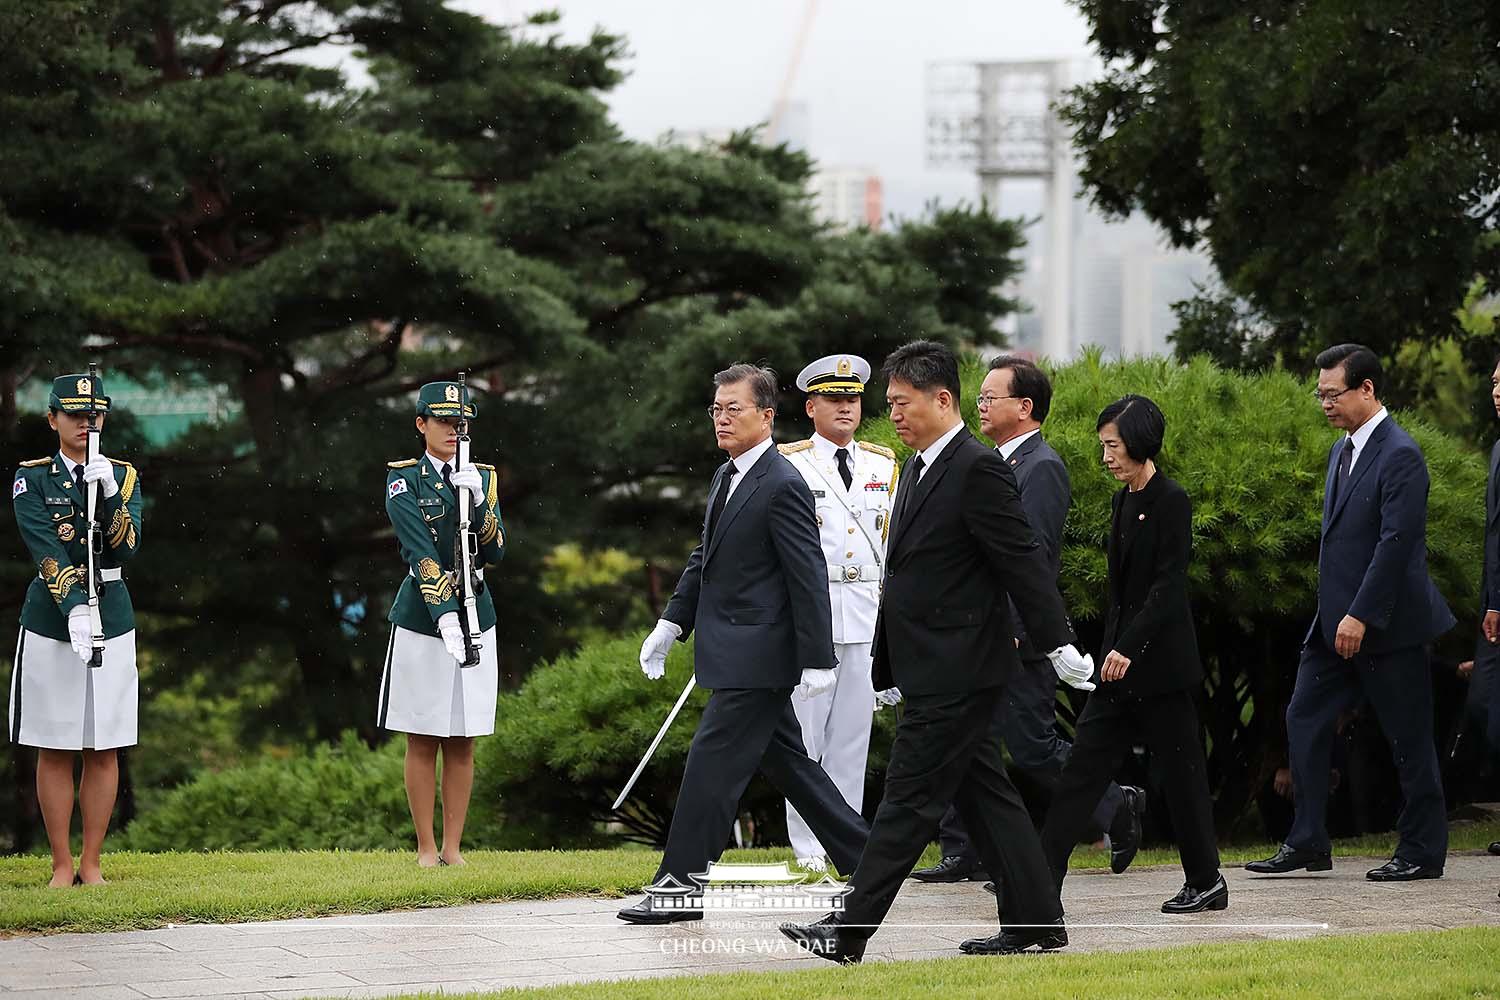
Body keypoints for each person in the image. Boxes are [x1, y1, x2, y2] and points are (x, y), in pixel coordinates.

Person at [781, 341, 1095, 963]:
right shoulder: (920, 464)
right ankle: (1037, 924)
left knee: (906, 800)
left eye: (901, 402)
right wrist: (890, 663)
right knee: (986, 798)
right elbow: (907, 572)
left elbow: (1022, 561)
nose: (890, 413)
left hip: (960, 668)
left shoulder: (975, 467)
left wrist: (1057, 642)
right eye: (889, 403)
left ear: (942, 398)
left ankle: (849, 931)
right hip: (933, 664)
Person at [617, 363, 870, 924]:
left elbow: (807, 573)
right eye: (716, 409)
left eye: (734, 409)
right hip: (733, 652)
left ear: (766, 416)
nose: (722, 419)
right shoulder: (727, 475)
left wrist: (817, 658)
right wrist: (671, 624)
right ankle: (870, 860)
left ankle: (677, 888)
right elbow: (704, 559)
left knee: (710, 767)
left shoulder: (782, 483)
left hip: (759, 658)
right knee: (791, 767)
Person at [913, 356, 1142, 889]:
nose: (981, 404)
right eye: (982, 396)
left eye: (993, 397)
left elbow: (1030, 558)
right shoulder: (992, 462)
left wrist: (1019, 626)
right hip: (981, 632)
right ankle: (964, 849)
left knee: (1033, 744)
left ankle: (1116, 804)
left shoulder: (1041, 467)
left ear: (1026, 407)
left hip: (1019, 633)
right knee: (971, 742)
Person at [1247, 344, 1454, 881]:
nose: (1324, 403)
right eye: (1319, 394)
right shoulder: (1342, 450)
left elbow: (1396, 543)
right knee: (1303, 716)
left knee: (1408, 736)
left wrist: (1362, 614)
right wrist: (1337, 614)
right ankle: (1309, 839)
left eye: (1332, 393)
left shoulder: (1401, 453)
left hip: (1387, 624)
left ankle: (1422, 850)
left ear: (1367, 389)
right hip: (1333, 624)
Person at [1039, 395, 1226, 914]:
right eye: (1103, 446)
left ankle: (1206, 880)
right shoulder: (1123, 500)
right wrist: (1107, 653)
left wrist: (1128, 647)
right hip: (1117, 673)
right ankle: (1038, 885)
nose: (1106, 457)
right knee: (1079, 773)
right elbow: (1120, 594)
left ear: (1140, 442)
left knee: (1185, 778)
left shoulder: (1172, 500)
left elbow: (1167, 590)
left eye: (1112, 446)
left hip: (1160, 670)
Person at [9, 372, 143, 887]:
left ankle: (92, 861)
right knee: (55, 743)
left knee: (103, 744)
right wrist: (72, 608)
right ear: (53, 419)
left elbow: (127, 547)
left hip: (112, 613)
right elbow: (44, 547)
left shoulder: (123, 475)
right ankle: (61, 863)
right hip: (51, 620)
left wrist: (109, 494)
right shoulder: (34, 478)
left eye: (95, 414)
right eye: (74, 414)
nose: (87, 423)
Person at [777, 353, 899, 875]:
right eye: (833, 399)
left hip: (866, 614)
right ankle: (807, 850)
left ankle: (846, 842)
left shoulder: (883, 463)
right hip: (814, 615)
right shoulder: (789, 462)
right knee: (806, 736)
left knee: (853, 737)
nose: (845, 407)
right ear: (811, 406)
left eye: (852, 398)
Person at [378, 380, 506, 868]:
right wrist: (445, 617)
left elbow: (495, 551)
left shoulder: (483, 477)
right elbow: (420, 552)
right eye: (444, 421)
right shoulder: (403, 480)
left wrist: (481, 504)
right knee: (423, 733)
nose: (454, 430)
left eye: (461, 423)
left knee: (463, 735)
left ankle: (454, 847)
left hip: (478, 612)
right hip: (423, 620)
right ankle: (426, 847)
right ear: (421, 424)